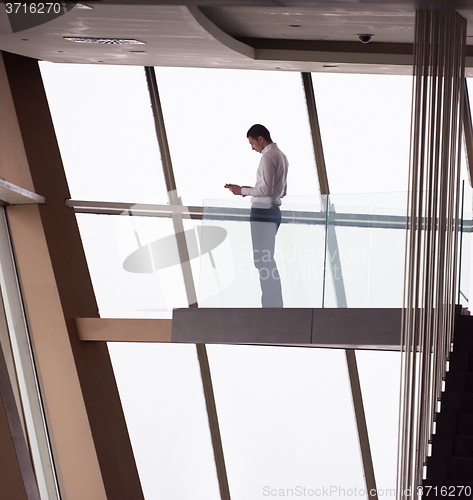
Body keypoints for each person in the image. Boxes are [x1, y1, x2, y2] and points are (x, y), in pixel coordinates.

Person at [225, 124, 288, 307]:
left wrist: (242, 190)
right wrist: (251, 190)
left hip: (262, 212)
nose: (252, 147)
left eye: (252, 143)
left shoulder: (268, 157)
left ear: (261, 139)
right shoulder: (282, 156)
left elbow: (266, 189)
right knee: (266, 259)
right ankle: (274, 303)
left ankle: (271, 305)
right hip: (274, 211)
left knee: (262, 260)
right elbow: (281, 191)